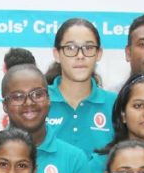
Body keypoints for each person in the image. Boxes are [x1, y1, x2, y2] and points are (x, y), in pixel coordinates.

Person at [44, 18, 118, 154]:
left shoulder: (116, 104)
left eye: (88, 48)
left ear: (99, 54)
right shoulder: (38, 101)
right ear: (57, 54)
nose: (80, 56)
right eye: (70, 48)